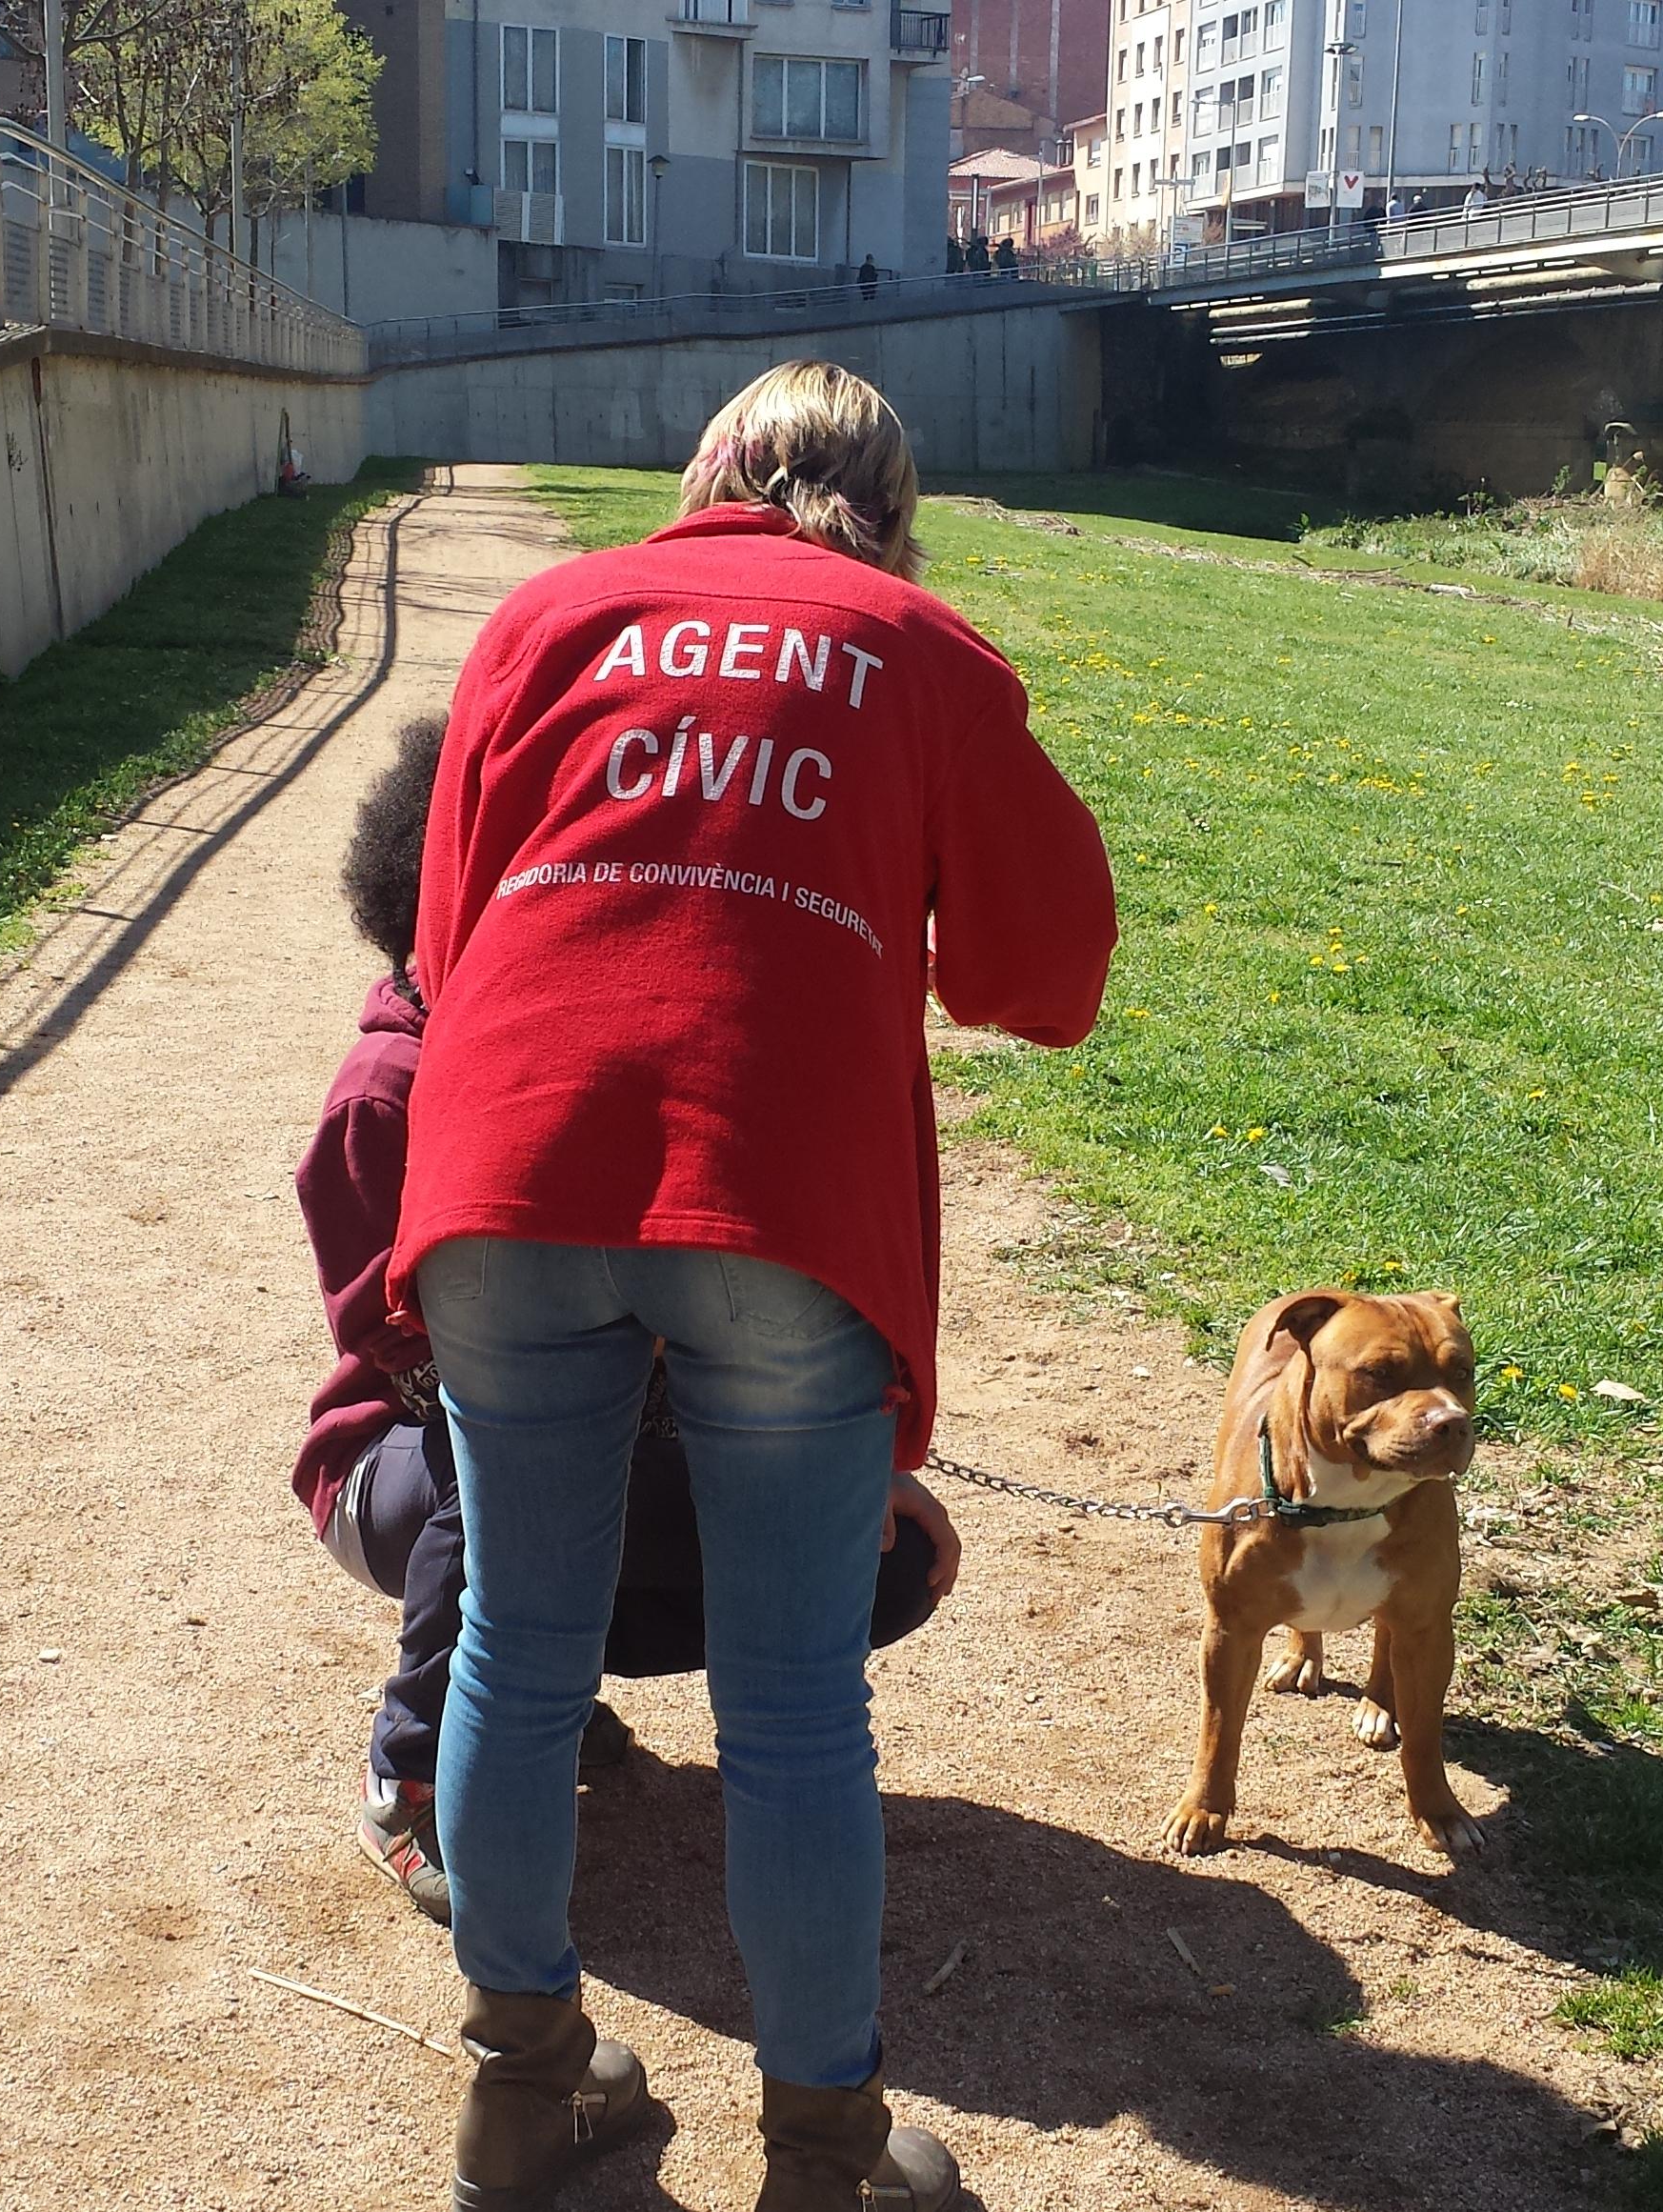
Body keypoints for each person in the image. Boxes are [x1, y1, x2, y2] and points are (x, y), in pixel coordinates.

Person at [397, 361, 1116, 2209]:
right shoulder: (915, 644)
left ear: (698, 480)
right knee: (793, 1708)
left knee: (514, 1648)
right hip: (775, 1200)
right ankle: (828, 2163)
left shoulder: (544, 619)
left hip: (501, 1171)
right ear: (888, 511)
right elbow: (1048, 971)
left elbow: (446, 938)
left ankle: (524, 2092)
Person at [293, 715, 962, 1925]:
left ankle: (540, 1688)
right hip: (399, 1461)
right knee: (489, 1427)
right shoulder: (387, 1093)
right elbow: (413, 1356)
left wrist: (842, 1450)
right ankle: (410, 1766)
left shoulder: (608, 1054)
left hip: (619, 1428)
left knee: (884, 1561)